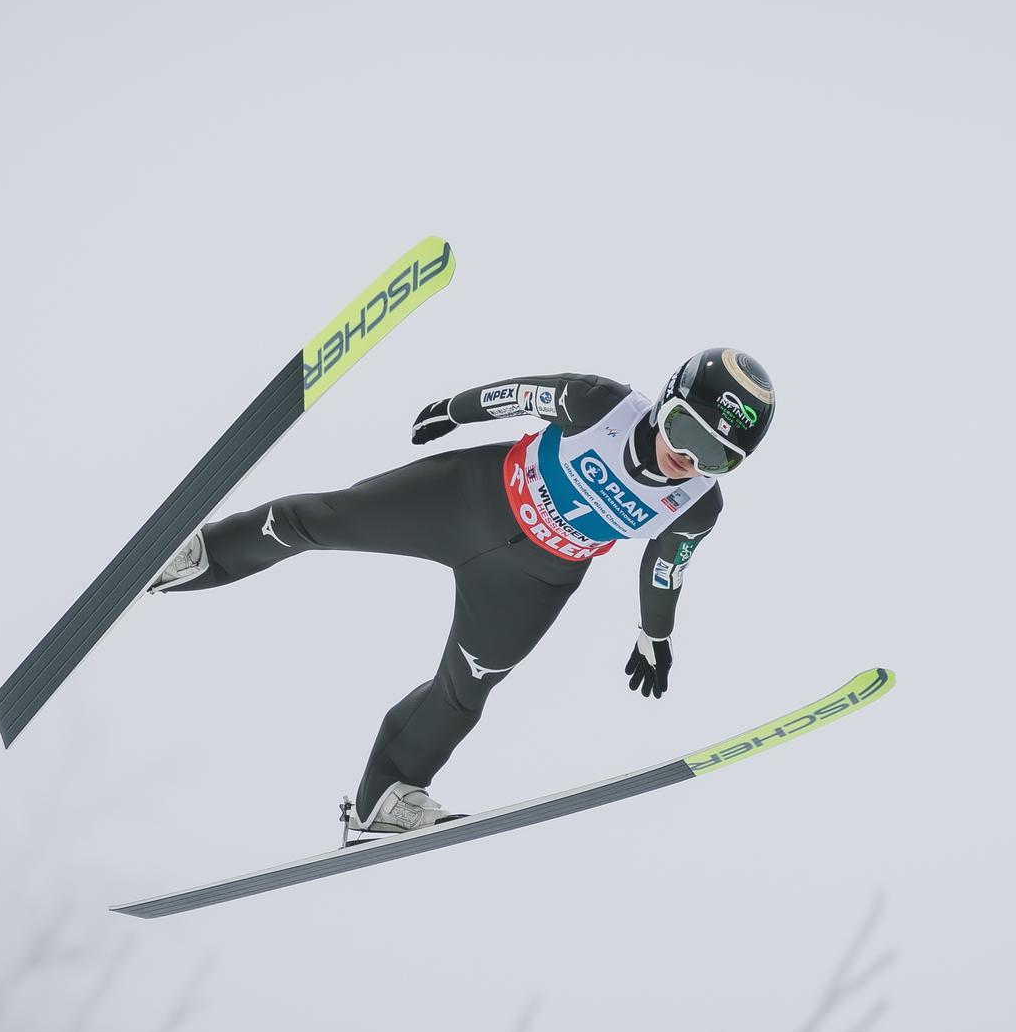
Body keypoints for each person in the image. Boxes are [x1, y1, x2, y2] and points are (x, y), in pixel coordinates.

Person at [149, 348, 776, 834]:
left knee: (465, 690)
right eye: (686, 432)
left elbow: (665, 568)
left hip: (533, 581)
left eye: (716, 457)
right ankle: (199, 556)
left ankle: (385, 797)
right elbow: (521, 395)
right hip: (467, 499)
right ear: (665, 402)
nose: (689, 460)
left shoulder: (697, 504)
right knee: (318, 520)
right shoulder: (602, 405)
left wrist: (654, 633)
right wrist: (455, 410)